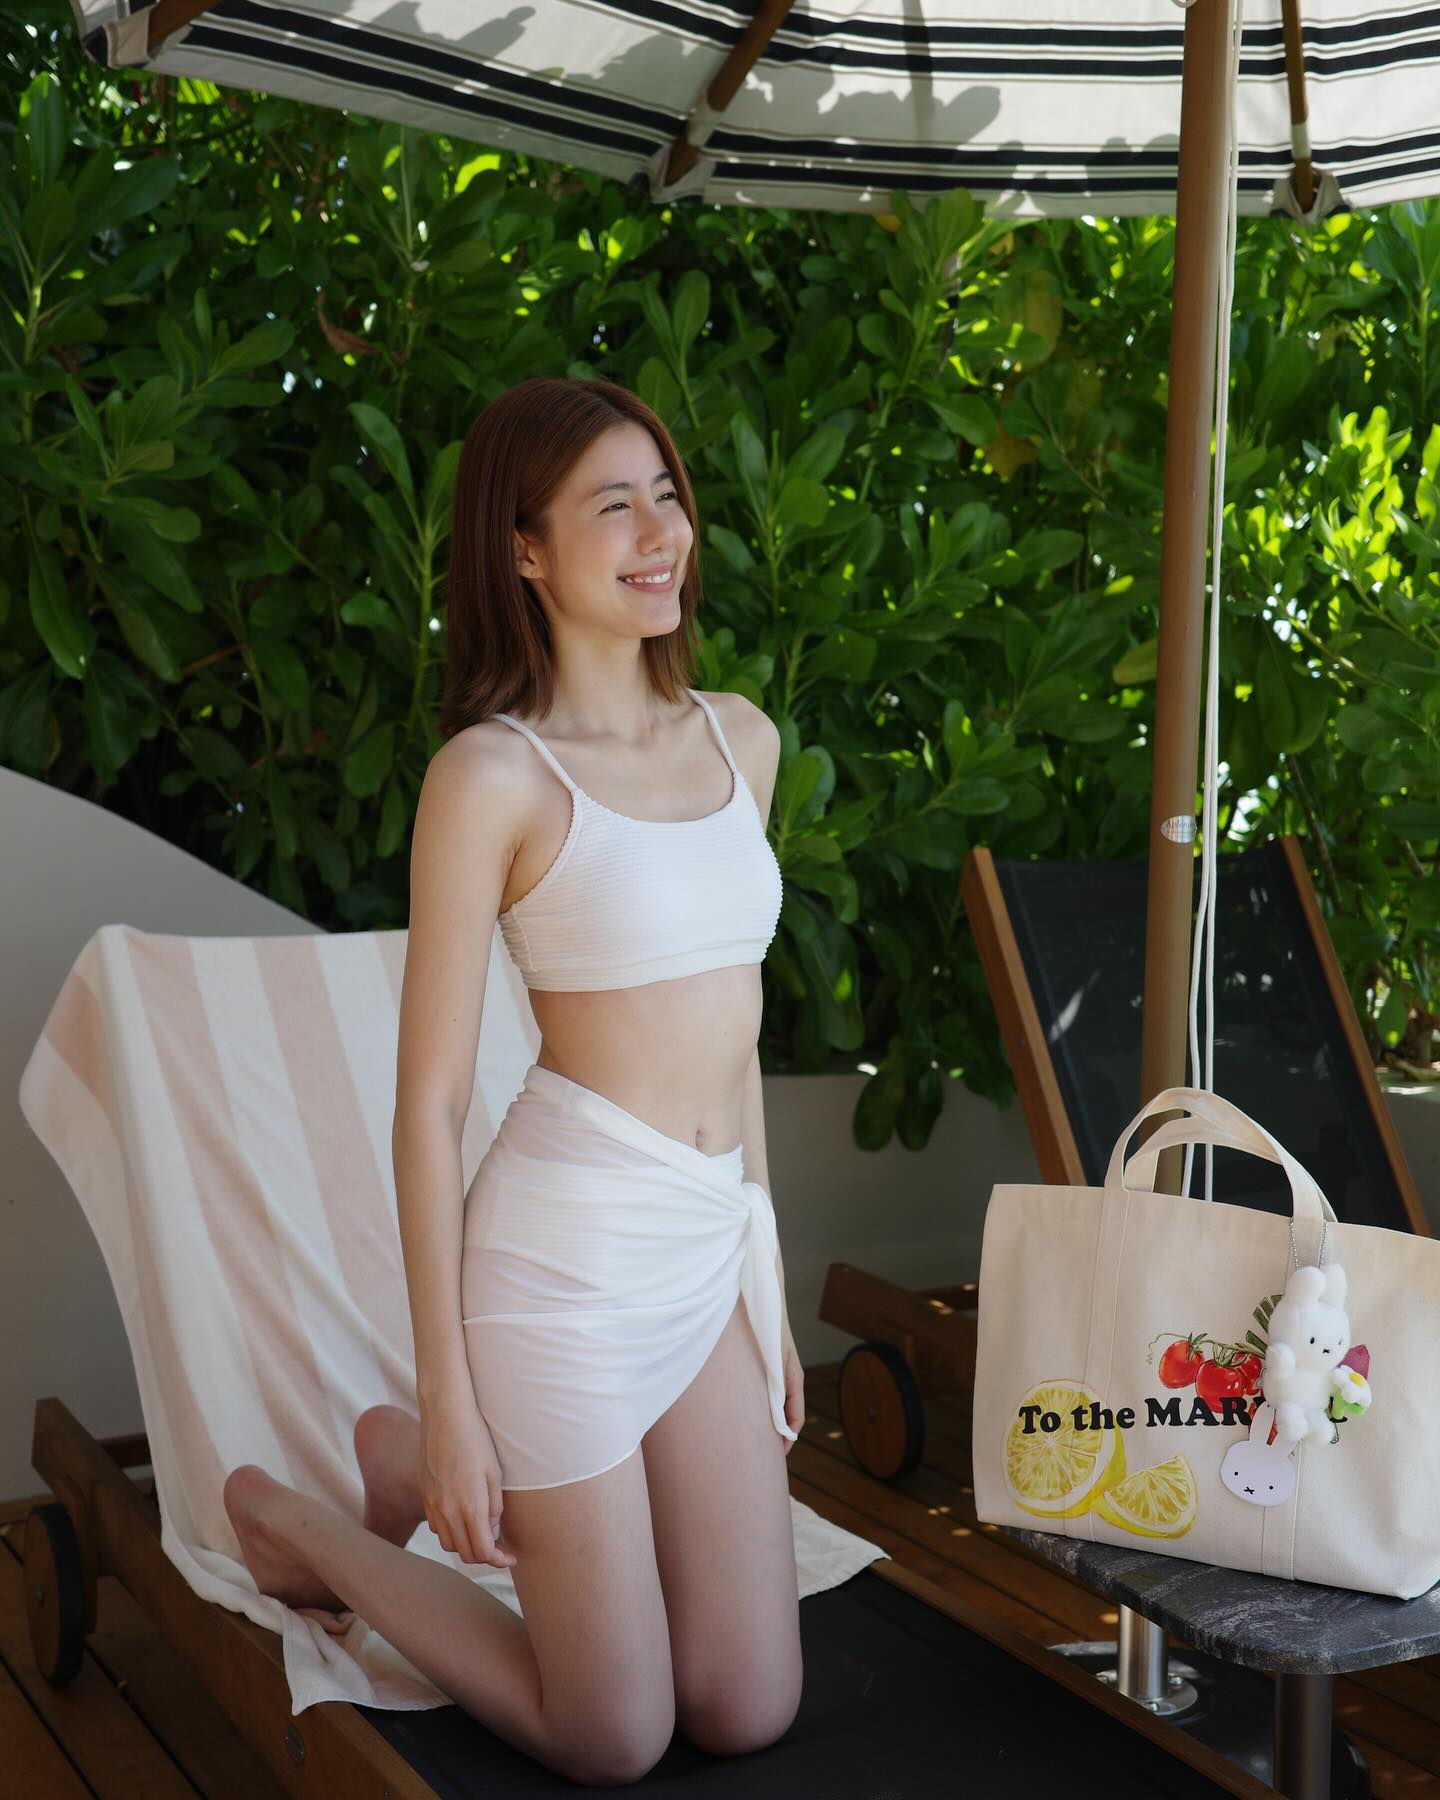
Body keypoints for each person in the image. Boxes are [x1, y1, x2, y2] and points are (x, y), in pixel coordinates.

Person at [224, 375, 805, 1786]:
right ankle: (305, 1523)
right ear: (524, 551)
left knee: (747, 1706)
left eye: (667, 494)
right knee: (613, 1734)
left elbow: (735, 1036)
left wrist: (766, 1282)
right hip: (563, 1272)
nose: (660, 532)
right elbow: (429, 1107)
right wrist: (458, 1404)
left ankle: (393, 1456)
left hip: (701, 1247)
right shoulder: (494, 776)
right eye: (614, 506)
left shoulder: (743, 738)